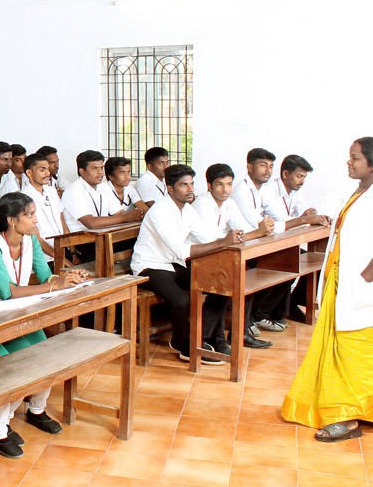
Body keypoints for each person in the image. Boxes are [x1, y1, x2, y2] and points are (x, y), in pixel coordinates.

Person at [281, 137, 373, 443]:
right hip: (341, 279)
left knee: (353, 348)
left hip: (361, 285)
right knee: (338, 345)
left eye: (355, 158)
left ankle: (347, 417)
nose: (349, 162)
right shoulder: (360, 191)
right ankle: (353, 407)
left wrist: (366, 276)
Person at [0, 192, 83, 440]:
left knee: (47, 353)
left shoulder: (30, 240)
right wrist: (57, 286)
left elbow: (46, 276)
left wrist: (66, 279)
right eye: (30, 215)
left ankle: (36, 409)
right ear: (12, 220)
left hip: (19, 313)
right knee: (20, 363)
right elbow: (8, 293)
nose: (36, 221)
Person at [131, 164, 241, 363]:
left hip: (174, 264)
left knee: (221, 285)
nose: (190, 189)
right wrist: (223, 241)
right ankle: (184, 345)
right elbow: (180, 250)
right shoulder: (159, 211)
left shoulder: (187, 210)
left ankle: (199, 338)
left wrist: (228, 240)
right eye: (184, 185)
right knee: (181, 301)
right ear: (171, 189)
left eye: (191, 184)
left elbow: (208, 238)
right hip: (149, 265)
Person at [231, 148, 329, 332]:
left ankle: (275, 310)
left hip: (264, 243)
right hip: (248, 246)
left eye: (270, 166)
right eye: (263, 165)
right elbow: (264, 226)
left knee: (305, 263)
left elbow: (279, 221)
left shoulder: (259, 190)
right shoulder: (247, 191)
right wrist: (302, 220)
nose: (268, 170)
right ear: (249, 167)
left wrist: (303, 218)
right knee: (284, 266)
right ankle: (257, 315)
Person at [192, 163, 274, 349]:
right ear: (209, 185)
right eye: (220, 185)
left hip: (218, 256)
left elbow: (242, 230)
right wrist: (258, 232)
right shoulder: (202, 205)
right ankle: (203, 339)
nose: (226, 189)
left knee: (247, 275)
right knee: (225, 283)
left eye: (229, 184)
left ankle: (224, 336)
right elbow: (215, 240)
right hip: (196, 259)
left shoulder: (229, 203)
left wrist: (262, 229)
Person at [62, 151, 140, 261]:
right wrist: (127, 217)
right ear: (82, 171)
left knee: (140, 241)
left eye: (101, 168)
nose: (100, 173)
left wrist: (134, 215)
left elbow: (119, 213)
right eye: (94, 169)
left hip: (103, 237)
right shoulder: (73, 190)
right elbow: (91, 223)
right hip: (83, 242)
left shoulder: (103, 187)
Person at [20, 153, 71, 265]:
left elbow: (62, 223)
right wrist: (61, 259)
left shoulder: (51, 190)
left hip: (62, 250)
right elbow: (36, 238)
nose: (48, 173)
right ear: (29, 173)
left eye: (48, 169)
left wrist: (73, 252)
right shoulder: (24, 198)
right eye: (42, 170)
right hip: (45, 257)